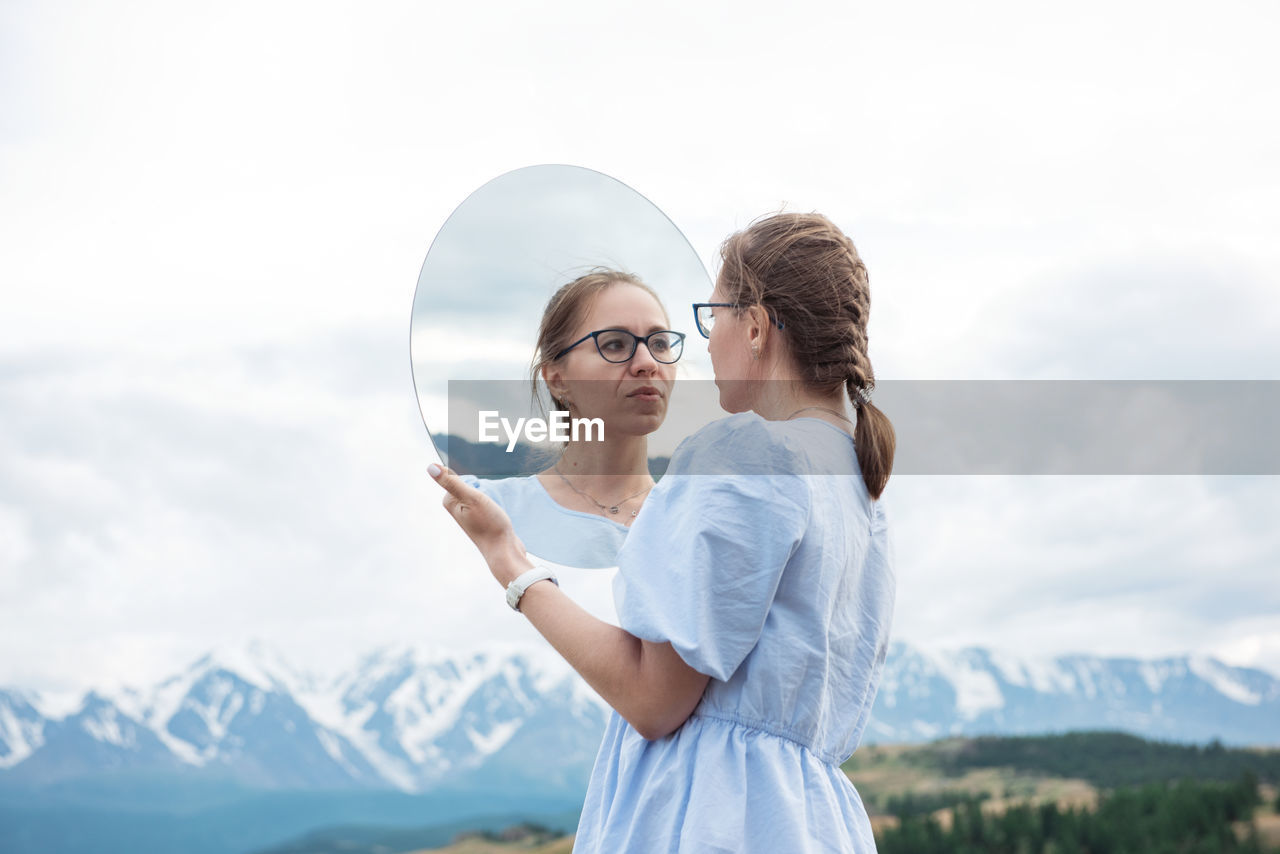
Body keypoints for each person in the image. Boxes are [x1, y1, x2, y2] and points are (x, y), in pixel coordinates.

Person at [430, 212, 896, 852]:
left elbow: (654, 700)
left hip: (715, 817)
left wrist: (509, 562)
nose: (707, 344)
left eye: (715, 318)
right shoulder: (856, 483)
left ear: (755, 326)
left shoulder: (745, 452)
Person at [457, 268, 685, 569]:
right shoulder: (490, 512)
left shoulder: (694, 522)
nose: (648, 363)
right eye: (615, 344)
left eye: (659, 343)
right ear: (556, 379)